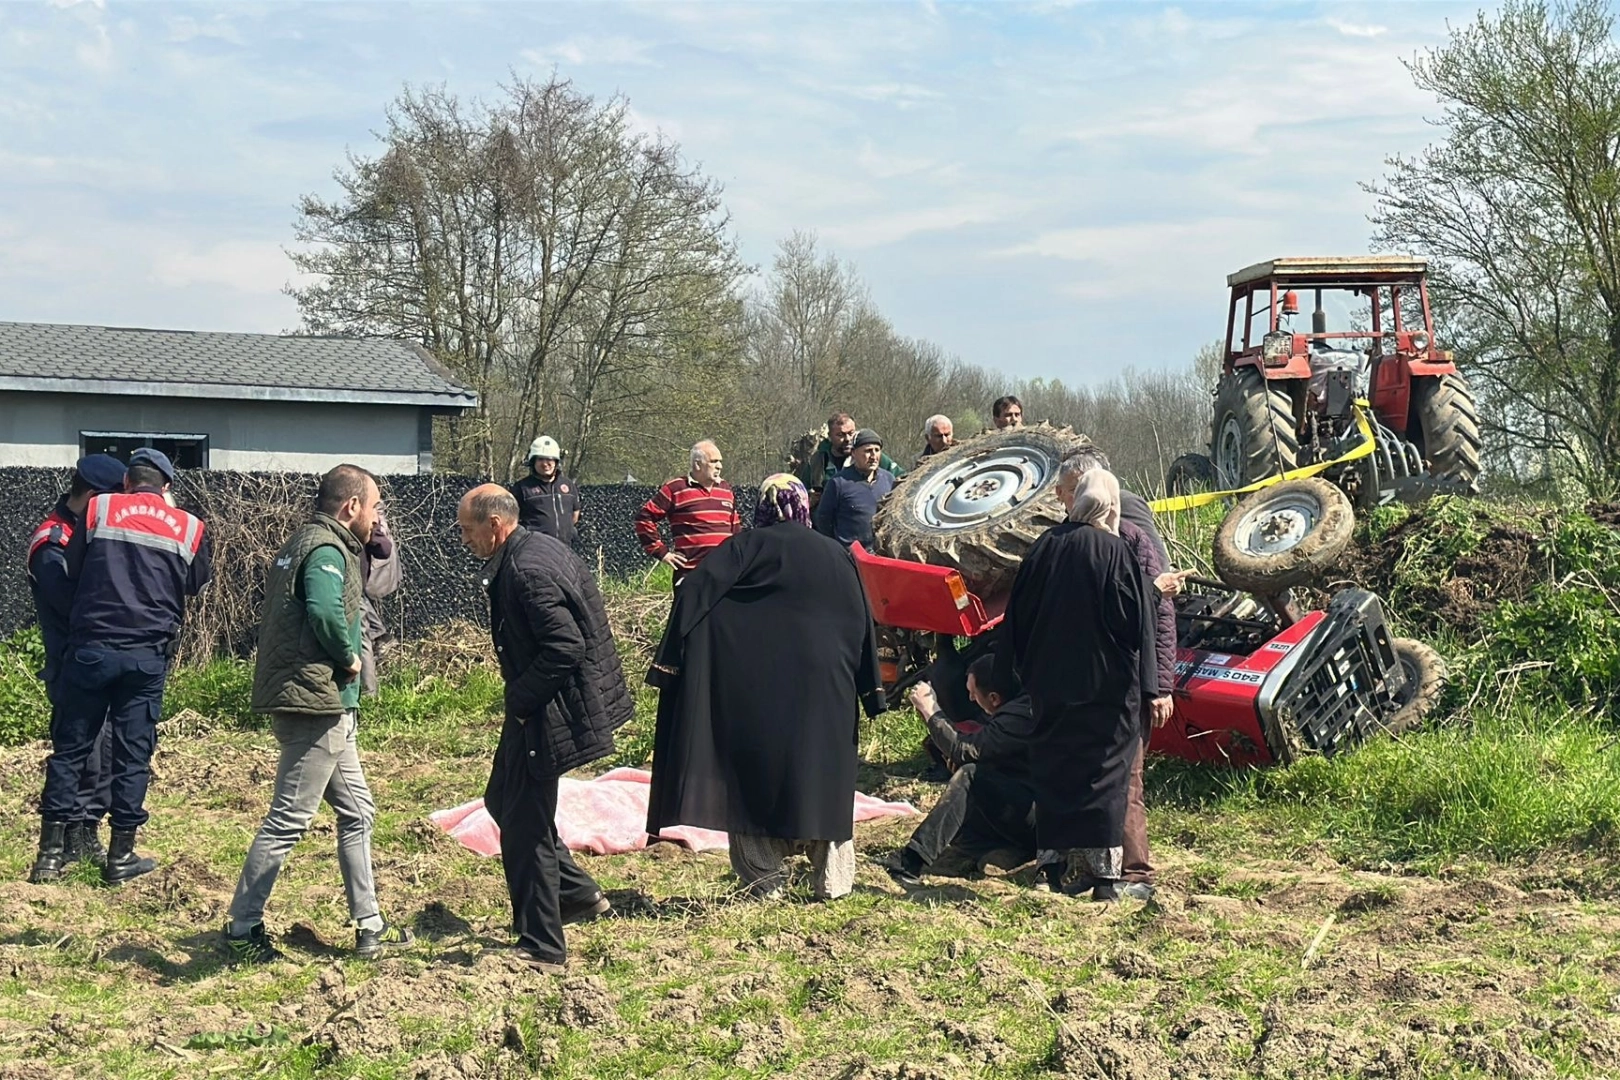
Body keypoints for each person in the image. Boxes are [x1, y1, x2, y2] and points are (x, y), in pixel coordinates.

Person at [646, 473, 886, 900]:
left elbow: (693, 595)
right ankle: (832, 880)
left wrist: (672, 663)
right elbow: (862, 621)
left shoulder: (741, 549)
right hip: (825, 689)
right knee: (824, 777)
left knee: (752, 777)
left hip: (754, 692)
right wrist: (870, 688)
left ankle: (765, 879)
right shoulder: (837, 555)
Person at [224, 465, 416, 963]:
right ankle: (243, 928)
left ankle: (369, 925)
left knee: (358, 812)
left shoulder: (302, 542)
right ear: (351, 506)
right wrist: (349, 657)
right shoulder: (328, 550)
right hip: (317, 703)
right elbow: (328, 613)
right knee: (289, 818)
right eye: (374, 508)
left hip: (322, 703)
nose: (377, 520)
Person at [457, 484, 634, 973]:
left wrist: (520, 698)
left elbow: (565, 645)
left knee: (525, 824)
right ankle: (577, 895)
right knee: (503, 801)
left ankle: (542, 944)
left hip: (549, 710)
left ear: (496, 525)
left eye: (467, 529)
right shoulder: (534, 549)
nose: (463, 538)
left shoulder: (526, 570)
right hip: (545, 707)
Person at [38, 448, 210, 886]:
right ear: (167, 486)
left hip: (90, 651)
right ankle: (121, 857)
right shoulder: (190, 527)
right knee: (134, 756)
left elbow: (73, 570)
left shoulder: (98, 509)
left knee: (71, 750)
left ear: (127, 481)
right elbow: (195, 584)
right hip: (146, 658)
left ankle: (49, 858)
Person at [995, 465, 1148, 902]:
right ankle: (1105, 880)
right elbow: (1131, 624)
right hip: (1106, 687)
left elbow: (1017, 615)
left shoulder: (1044, 546)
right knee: (1104, 773)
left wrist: (1017, 672)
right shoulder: (1114, 550)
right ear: (1110, 503)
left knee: (1054, 769)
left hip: (1049, 684)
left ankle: (1052, 867)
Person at [1059, 446, 1186, 901]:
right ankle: (1096, 869)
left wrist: (1162, 686)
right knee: (1094, 775)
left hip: (1135, 681)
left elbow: (1160, 616)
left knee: (1127, 778)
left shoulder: (1133, 539)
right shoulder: (1074, 541)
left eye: (1070, 492)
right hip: (1096, 683)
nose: (1063, 501)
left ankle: (1136, 872)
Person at [25, 455, 126, 883]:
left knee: (102, 754)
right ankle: (63, 841)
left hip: (95, 659)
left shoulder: (83, 532)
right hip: (72, 662)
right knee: (78, 754)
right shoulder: (53, 542)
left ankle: (86, 831)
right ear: (93, 495)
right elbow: (70, 607)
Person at [886, 654, 1037, 886]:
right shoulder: (1019, 709)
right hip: (1027, 808)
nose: (970, 698)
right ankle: (997, 850)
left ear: (994, 698)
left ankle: (911, 861)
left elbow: (964, 750)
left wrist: (931, 711)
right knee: (960, 817)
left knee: (970, 776)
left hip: (1038, 821)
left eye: (973, 694)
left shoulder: (1017, 718)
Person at [633, 441, 741, 585]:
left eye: (720, 462)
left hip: (724, 574)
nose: (719, 466)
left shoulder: (726, 489)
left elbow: (736, 529)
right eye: (714, 461)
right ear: (698, 464)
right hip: (691, 575)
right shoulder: (676, 488)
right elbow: (644, 518)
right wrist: (662, 552)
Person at [797, 412, 906, 508]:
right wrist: (809, 497)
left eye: (851, 433)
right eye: (840, 435)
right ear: (830, 436)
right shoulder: (819, 460)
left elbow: (902, 478)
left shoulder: (871, 455)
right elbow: (801, 490)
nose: (848, 439)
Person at [813, 429, 897, 548]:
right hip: (850, 557)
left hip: (881, 555)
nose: (873, 456)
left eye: (877, 450)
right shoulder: (839, 483)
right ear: (853, 453)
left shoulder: (889, 479)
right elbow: (823, 521)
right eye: (868, 451)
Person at [359, 504, 400, 697]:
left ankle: (369, 694)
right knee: (362, 635)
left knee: (360, 639)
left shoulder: (365, 514)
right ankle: (380, 634)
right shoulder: (367, 512)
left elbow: (383, 548)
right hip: (356, 584)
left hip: (353, 583)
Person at [511, 436, 582, 546]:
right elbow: (511, 520)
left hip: (565, 549)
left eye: (549, 459)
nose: (545, 463)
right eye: (540, 459)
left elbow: (575, 514)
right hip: (534, 550)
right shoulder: (522, 488)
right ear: (533, 462)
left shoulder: (568, 485)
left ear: (556, 461)